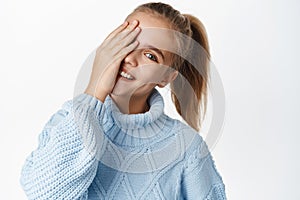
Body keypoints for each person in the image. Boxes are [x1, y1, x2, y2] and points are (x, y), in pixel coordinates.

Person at [20, 2, 226, 200]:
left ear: (166, 77)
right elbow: (44, 194)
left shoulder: (186, 148)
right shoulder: (69, 120)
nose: (129, 58)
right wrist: (94, 90)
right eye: (127, 41)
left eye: (150, 55)